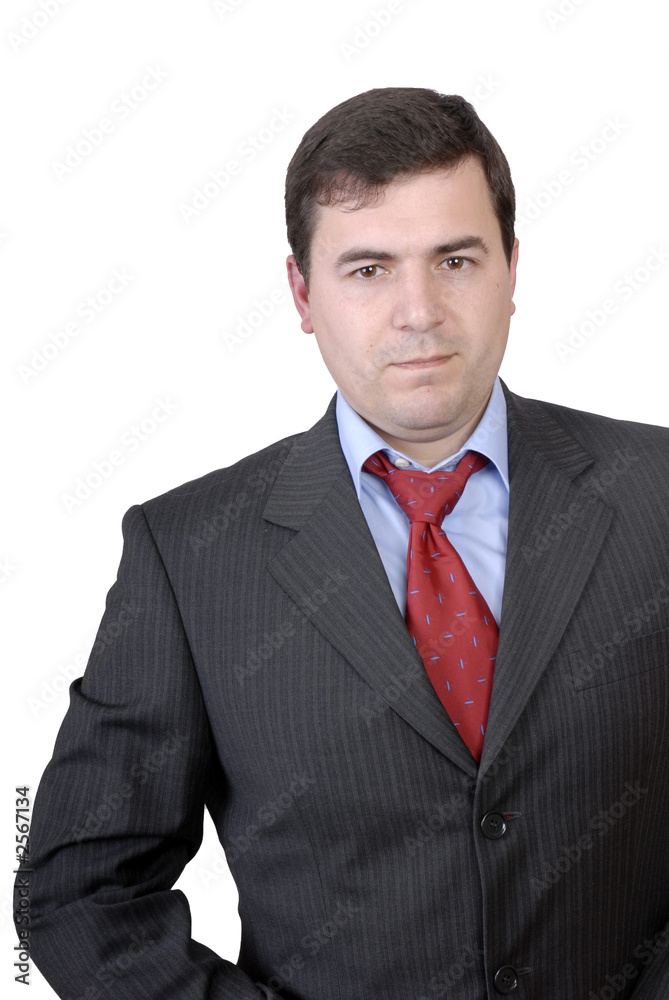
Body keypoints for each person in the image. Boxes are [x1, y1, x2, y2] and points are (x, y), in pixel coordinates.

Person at [15, 87, 669, 999]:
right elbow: (78, 893)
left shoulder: (655, 494)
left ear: (511, 268)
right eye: (367, 269)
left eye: (455, 259)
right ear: (302, 292)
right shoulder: (189, 555)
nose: (418, 311)